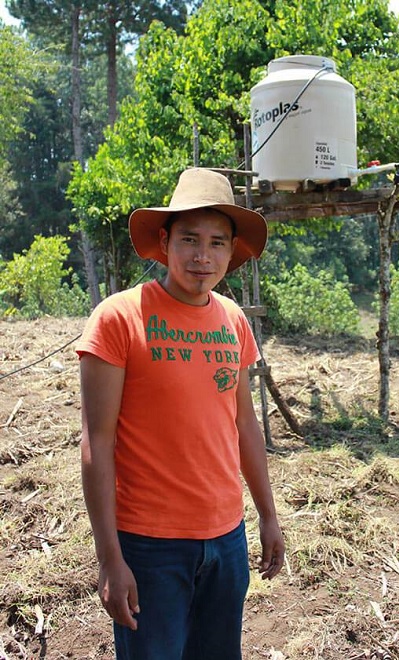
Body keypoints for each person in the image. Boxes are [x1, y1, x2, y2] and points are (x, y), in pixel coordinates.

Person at [77, 167, 285, 660]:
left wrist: (268, 516)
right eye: (189, 239)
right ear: (165, 241)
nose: (201, 256)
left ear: (232, 252)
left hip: (226, 539)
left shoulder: (233, 321)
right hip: (149, 546)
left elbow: (243, 425)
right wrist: (110, 558)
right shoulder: (118, 318)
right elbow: (96, 441)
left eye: (217, 243)